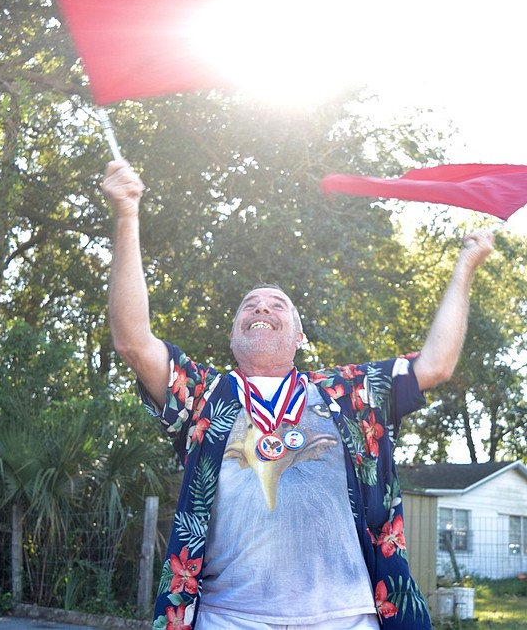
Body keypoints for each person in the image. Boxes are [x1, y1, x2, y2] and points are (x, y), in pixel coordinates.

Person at [101, 159, 495, 630]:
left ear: (299, 335)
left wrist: (466, 265)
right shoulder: (205, 395)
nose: (262, 307)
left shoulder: (350, 393)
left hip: (348, 618)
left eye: (277, 304)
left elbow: (436, 364)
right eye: (250, 305)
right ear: (233, 336)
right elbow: (131, 340)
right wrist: (127, 213)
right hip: (229, 618)